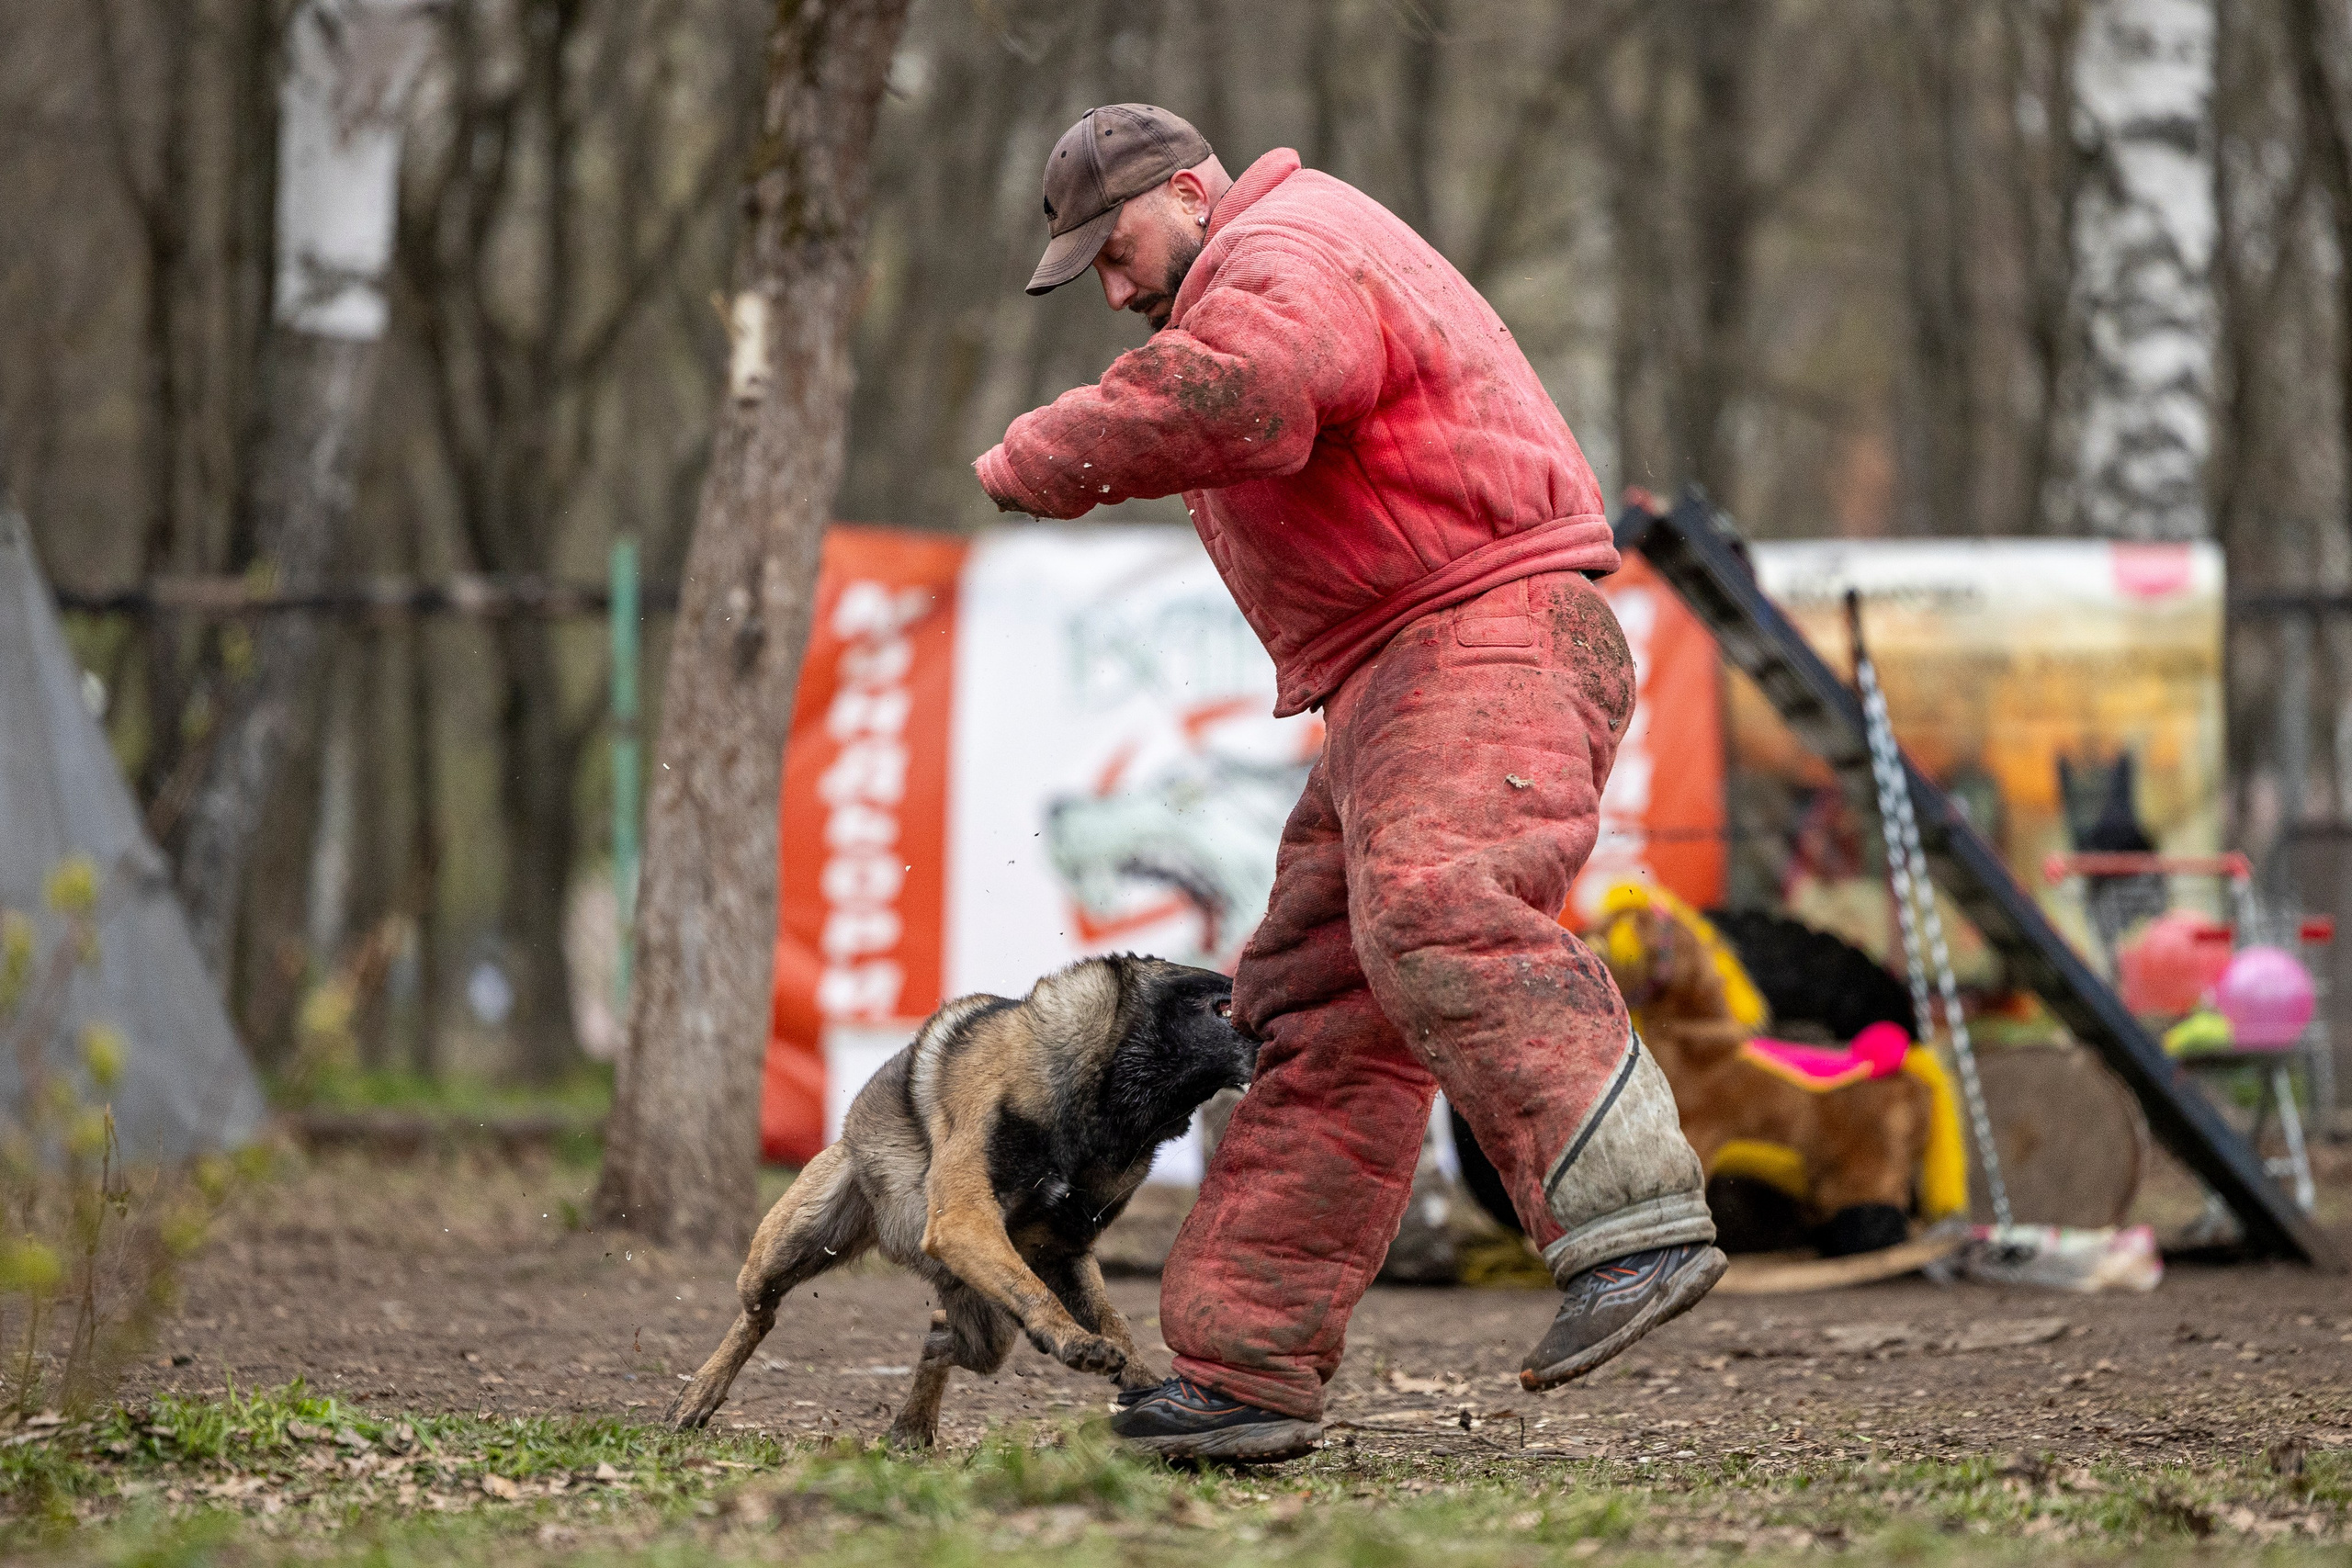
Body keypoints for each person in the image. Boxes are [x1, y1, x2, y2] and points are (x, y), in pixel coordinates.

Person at [974, 104, 1724, 1463]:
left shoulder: (1282, 250)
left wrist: (1046, 454)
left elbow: (1248, 396)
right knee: (1314, 1005)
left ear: (1194, 191)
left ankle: (1632, 1221)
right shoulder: (1257, 259)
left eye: (1122, 246)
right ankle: (1245, 1368)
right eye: (1092, 267)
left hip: (1486, 630)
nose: (1120, 285)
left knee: (1437, 904)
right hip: (1395, 667)